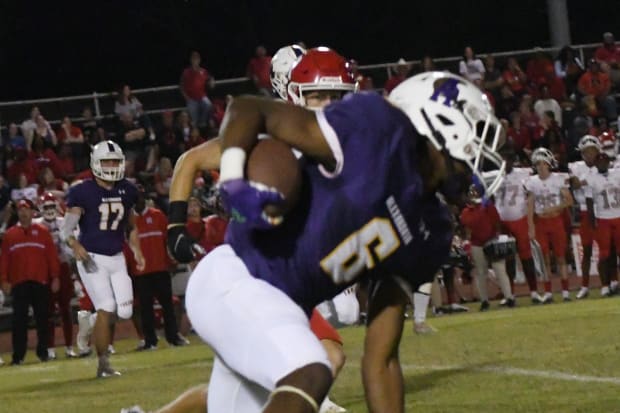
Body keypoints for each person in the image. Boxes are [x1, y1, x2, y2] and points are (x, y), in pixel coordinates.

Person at [161, 71, 504, 413]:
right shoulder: (377, 131)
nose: (478, 159)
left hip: (277, 312)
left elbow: (381, 360)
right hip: (238, 276)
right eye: (476, 137)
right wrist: (234, 180)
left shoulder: (432, 228)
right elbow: (250, 109)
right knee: (310, 369)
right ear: (441, 123)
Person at [60, 140, 145, 378]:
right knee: (107, 306)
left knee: (125, 312)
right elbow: (66, 231)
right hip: (91, 258)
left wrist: (136, 249)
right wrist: (75, 245)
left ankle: (91, 321)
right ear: (95, 163)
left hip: (117, 257)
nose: (111, 166)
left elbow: (131, 226)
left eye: (115, 161)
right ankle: (103, 364)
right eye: (106, 161)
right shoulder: (82, 191)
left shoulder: (127, 190)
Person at [0, 199, 60, 365]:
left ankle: (44, 352)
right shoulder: (10, 235)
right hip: (19, 283)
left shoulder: (43, 232)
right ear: (17, 213)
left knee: (43, 318)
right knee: (19, 320)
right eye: (21, 210)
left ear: (33, 212)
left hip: (40, 281)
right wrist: (4, 280)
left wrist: (55, 276)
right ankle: (18, 356)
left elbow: (51, 256)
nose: (24, 213)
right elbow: (4, 260)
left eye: (26, 210)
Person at [129, 186, 184, 349]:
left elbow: (168, 241)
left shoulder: (158, 216)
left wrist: (171, 261)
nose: (136, 201)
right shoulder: (129, 220)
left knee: (167, 305)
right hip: (141, 272)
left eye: (138, 197)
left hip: (160, 268)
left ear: (144, 198)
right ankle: (150, 340)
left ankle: (173, 337)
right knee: (145, 308)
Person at [493, 146, 544, 303]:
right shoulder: (493, 176)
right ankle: (510, 294)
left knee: (526, 257)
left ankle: (534, 292)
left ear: (512, 161)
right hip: (502, 222)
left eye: (506, 160)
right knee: (507, 259)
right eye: (501, 160)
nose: (504, 163)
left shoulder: (524, 173)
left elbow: (538, 183)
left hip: (520, 219)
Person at [525, 148, 573, 303]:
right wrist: (531, 225)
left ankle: (565, 291)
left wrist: (554, 208)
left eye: (543, 163)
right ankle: (548, 292)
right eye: (538, 164)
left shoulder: (558, 179)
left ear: (549, 164)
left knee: (560, 257)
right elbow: (530, 205)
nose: (541, 166)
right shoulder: (532, 182)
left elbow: (569, 201)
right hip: (541, 222)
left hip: (556, 220)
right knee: (544, 258)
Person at [33, 193, 78, 359]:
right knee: (48, 311)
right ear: (40, 208)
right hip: (44, 271)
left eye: (52, 206)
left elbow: (73, 245)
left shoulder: (63, 223)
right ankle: (50, 348)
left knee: (66, 309)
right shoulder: (36, 225)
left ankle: (68, 346)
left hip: (63, 267)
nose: (50, 210)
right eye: (46, 207)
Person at [460, 181, 515, 311]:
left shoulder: (488, 207)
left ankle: (509, 297)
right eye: (471, 193)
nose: (473, 195)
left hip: (491, 240)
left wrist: (496, 237)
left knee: (500, 269)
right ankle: (484, 300)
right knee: (481, 272)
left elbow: (496, 222)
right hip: (477, 243)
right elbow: (468, 225)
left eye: (475, 192)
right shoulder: (467, 211)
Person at [585, 137, 620, 297]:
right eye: (599, 162)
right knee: (605, 254)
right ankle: (605, 285)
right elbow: (589, 203)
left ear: (608, 162)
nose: (602, 164)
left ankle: (615, 282)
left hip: (618, 216)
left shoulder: (616, 174)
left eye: (604, 161)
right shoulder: (591, 179)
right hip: (604, 219)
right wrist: (593, 223)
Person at [568, 135, 602, 299]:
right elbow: (574, 184)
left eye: (592, 151)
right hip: (583, 210)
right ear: (582, 153)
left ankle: (609, 284)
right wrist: (591, 181)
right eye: (587, 151)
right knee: (587, 251)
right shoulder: (576, 167)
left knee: (608, 251)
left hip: (603, 210)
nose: (590, 154)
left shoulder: (603, 166)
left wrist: (585, 182)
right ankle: (584, 285)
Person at [180, 51, 214, 129]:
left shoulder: (203, 71)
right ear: (191, 60)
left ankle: (203, 122)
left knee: (208, 105)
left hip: (202, 96)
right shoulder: (186, 72)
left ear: (199, 60)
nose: (195, 60)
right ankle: (195, 128)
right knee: (194, 120)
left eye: (197, 59)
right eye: (193, 59)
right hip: (191, 99)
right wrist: (186, 97)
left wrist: (212, 81)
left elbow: (210, 79)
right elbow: (181, 86)